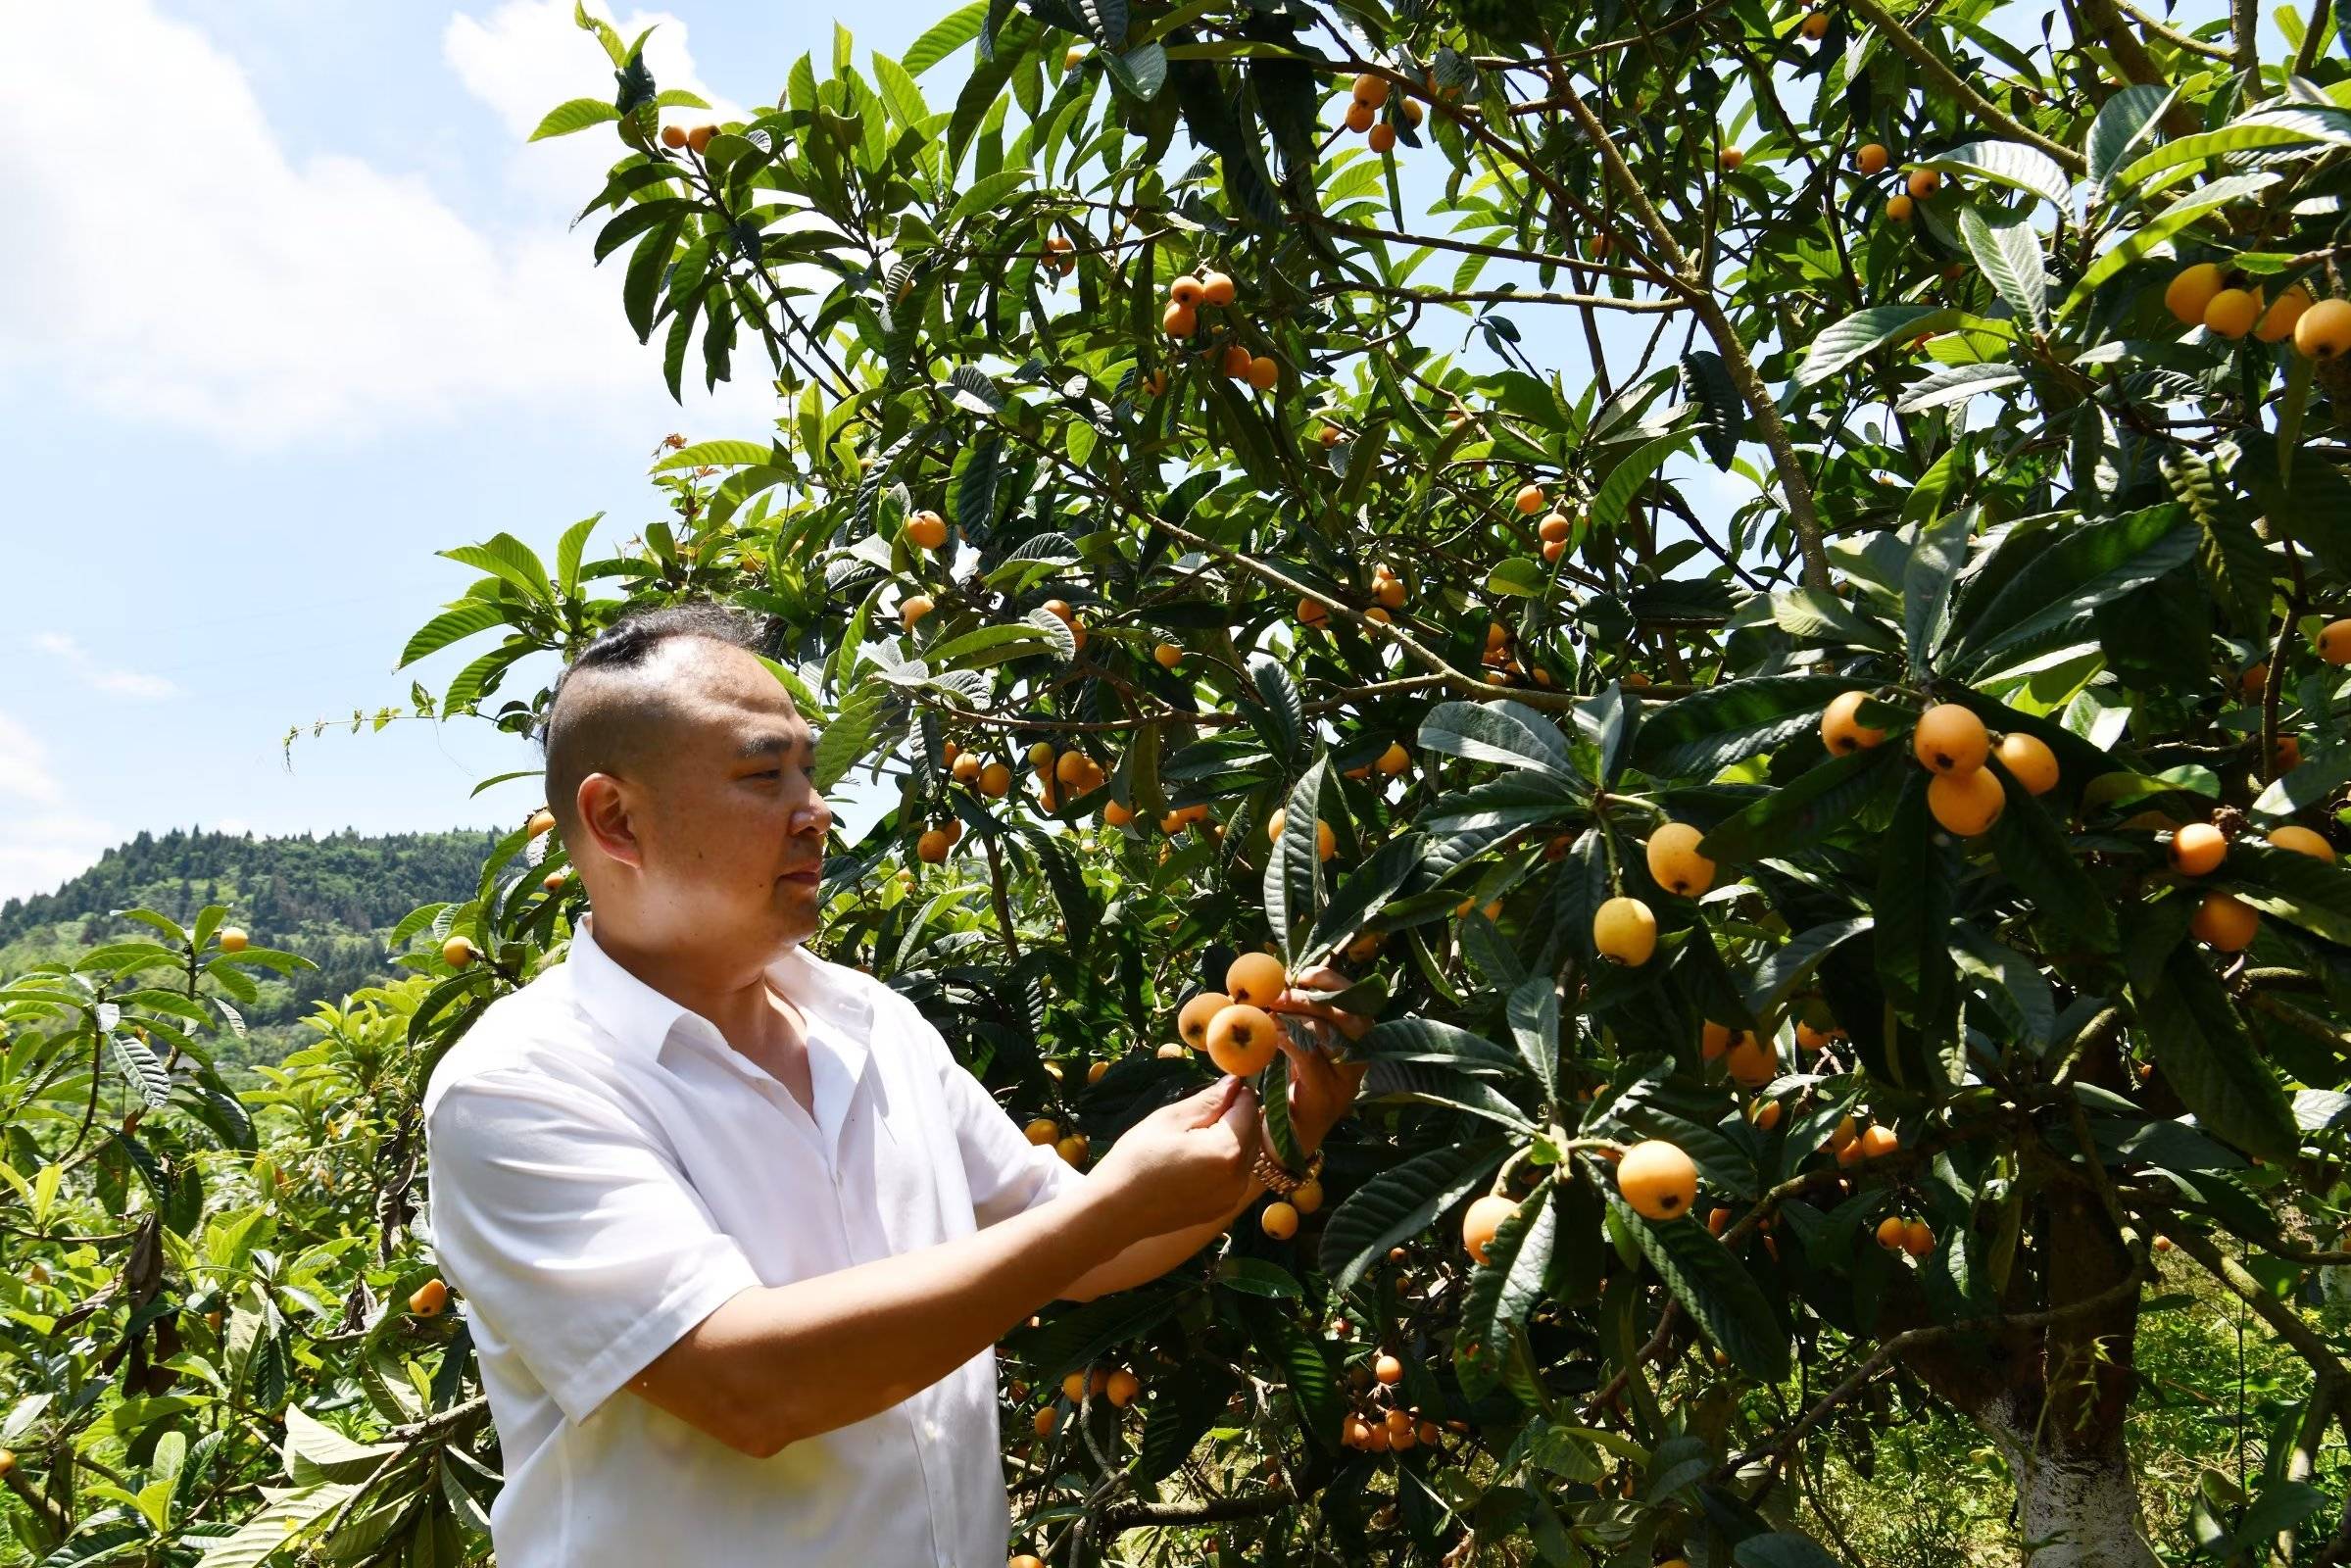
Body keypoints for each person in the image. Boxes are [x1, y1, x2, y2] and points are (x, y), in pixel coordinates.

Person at [421, 604, 1367, 1568]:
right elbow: (750, 1385)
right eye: (762, 775)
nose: (814, 809)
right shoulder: (518, 1086)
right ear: (616, 819)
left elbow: (1081, 1240)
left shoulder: (870, 1022)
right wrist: (1110, 1210)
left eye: (808, 771)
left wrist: (1271, 1136)